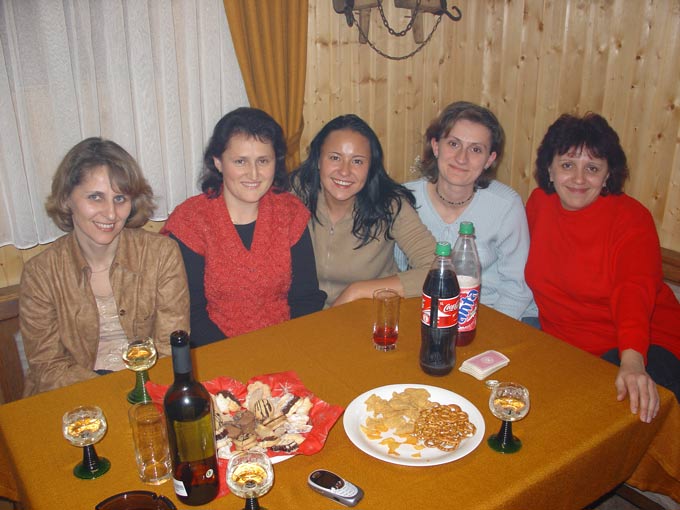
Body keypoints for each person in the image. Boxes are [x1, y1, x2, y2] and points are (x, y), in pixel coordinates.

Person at [525, 112, 680, 422]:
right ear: (549, 170)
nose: (579, 179)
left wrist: (632, 361)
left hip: (645, 344)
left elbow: (633, 291)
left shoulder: (631, 219)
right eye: (567, 165)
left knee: (600, 418)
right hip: (565, 349)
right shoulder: (539, 204)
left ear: (608, 175)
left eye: (592, 168)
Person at [19, 138, 189, 396]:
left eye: (120, 198)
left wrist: (138, 393)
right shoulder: (41, 274)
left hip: (149, 390)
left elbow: (169, 348)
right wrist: (114, 389)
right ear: (66, 199)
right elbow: (47, 367)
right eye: (95, 197)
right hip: (73, 396)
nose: (111, 214)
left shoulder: (161, 254)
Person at [162, 107, 325, 346]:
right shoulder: (191, 221)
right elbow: (190, 313)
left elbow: (306, 298)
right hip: (216, 352)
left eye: (263, 161)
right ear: (218, 162)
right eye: (240, 161)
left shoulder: (290, 213)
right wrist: (240, 356)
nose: (254, 174)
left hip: (286, 344)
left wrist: (287, 345)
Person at [395, 101, 537, 321]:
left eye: (476, 149)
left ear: (490, 159)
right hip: (425, 315)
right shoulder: (406, 199)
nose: (462, 158)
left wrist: (493, 333)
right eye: (453, 144)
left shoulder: (506, 205)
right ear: (436, 146)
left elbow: (517, 288)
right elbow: (396, 270)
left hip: (494, 315)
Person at [290, 114, 436, 307]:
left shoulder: (389, 205)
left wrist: (358, 291)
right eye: (335, 158)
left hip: (369, 313)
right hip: (303, 316)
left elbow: (438, 268)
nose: (344, 171)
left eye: (357, 161)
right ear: (318, 160)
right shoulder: (294, 195)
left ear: (370, 167)